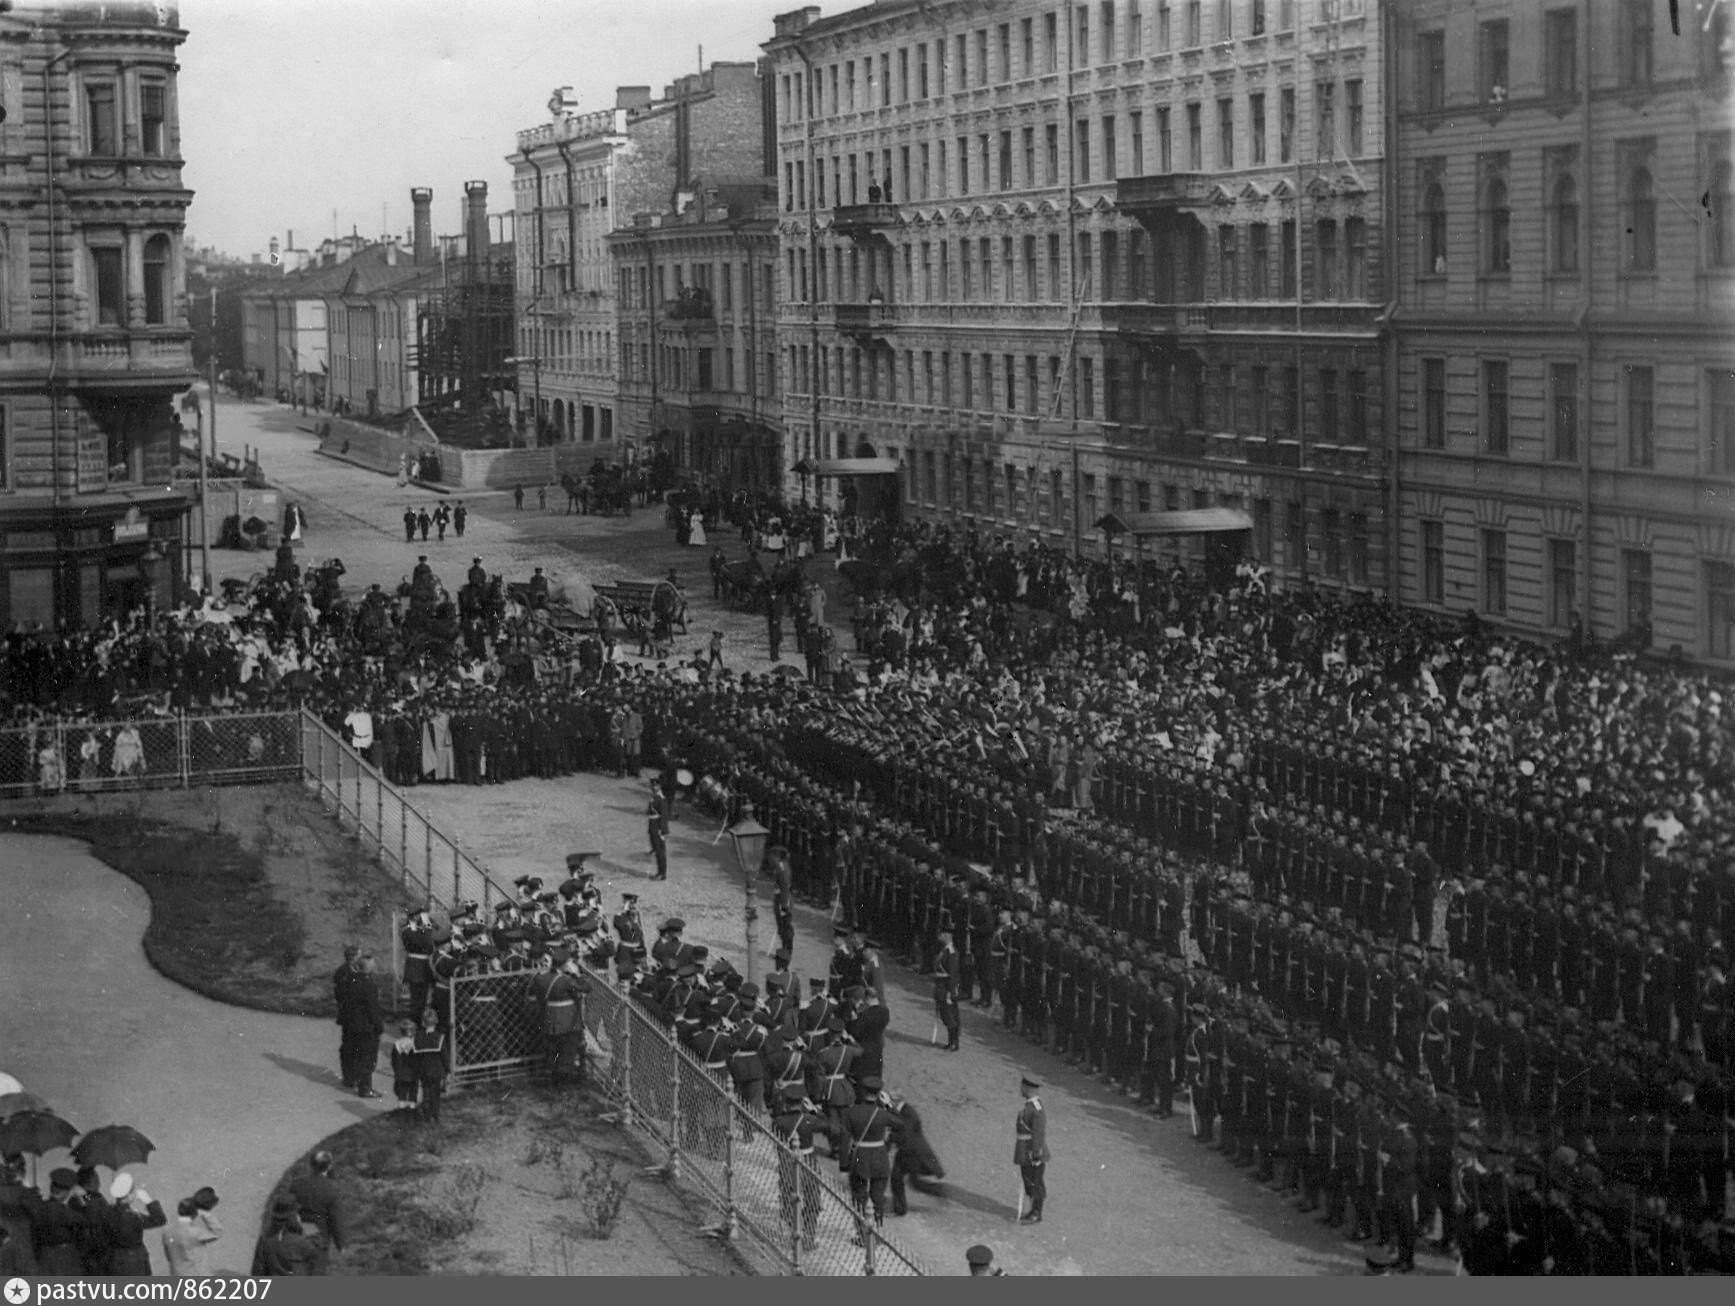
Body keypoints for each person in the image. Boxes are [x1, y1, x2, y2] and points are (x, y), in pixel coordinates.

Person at [844, 1074, 899, 1237]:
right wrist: (890, 1105)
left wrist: (843, 1164)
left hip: (860, 1158)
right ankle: (877, 1230)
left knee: (859, 1196)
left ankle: (861, 1232)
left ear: (862, 1091)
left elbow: (844, 1138)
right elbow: (901, 1123)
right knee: (878, 1196)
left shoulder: (852, 1112)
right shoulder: (883, 1114)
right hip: (879, 1158)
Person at [334, 946, 385, 1098]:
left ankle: (350, 1080)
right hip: (365, 1026)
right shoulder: (369, 985)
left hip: (352, 1023)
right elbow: (372, 1009)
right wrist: (379, 1025)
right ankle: (365, 1088)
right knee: (367, 1056)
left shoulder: (351, 979)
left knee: (353, 1051)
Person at [289, 1152, 347, 1273]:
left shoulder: (296, 1184)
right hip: (320, 1240)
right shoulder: (333, 1188)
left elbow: (288, 1210)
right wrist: (341, 1244)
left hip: (298, 1235)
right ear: (329, 1165)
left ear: (311, 1165)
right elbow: (336, 1219)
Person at [23, 1168, 85, 1275]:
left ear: (51, 1187)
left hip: (44, 1257)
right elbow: (88, 1220)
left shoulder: (40, 1207)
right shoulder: (63, 1211)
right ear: (66, 1191)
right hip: (64, 1259)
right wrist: (82, 1199)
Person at [101, 1173, 165, 1276]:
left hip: (115, 1259)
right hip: (135, 1262)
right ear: (129, 1195)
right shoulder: (133, 1217)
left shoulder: (108, 1212)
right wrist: (148, 1201)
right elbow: (160, 1220)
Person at [544, 957, 592, 1084]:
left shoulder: (543, 977)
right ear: (564, 966)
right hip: (568, 1019)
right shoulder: (565, 981)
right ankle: (563, 1082)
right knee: (568, 1051)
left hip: (551, 1018)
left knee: (555, 1049)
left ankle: (554, 1076)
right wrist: (577, 974)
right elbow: (587, 987)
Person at [1014, 1075, 1050, 1224]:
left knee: (1035, 1182)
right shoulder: (1029, 1106)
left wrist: (1036, 1154)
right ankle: (1032, 1210)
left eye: (1022, 1087)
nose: (1020, 1089)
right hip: (1025, 1150)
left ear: (1028, 1088)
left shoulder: (1036, 1109)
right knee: (1029, 1180)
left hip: (1031, 1152)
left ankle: (1036, 1213)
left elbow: (1039, 1133)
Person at [251, 1199, 319, 1277]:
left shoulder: (264, 1240)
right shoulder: (303, 1242)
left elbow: (257, 1272)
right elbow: (316, 1268)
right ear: (292, 1218)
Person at [413, 1005, 448, 1121]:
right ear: (436, 1021)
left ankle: (427, 1115)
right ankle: (435, 1115)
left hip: (424, 1070)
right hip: (437, 1071)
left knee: (426, 1093)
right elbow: (444, 1056)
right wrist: (447, 1070)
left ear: (423, 1023)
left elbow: (416, 1057)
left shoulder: (418, 1038)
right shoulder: (440, 1038)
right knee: (436, 1093)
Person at [933, 929, 961, 1051]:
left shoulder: (951, 952)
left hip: (946, 987)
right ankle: (951, 1041)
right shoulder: (945, 950)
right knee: (945, 1015)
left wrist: (950, 992)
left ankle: (954, 1042)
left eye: (942, 934)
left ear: (948, 936)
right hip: (940, 985)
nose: (940, 936)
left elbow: (953, 974)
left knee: (949, 1015)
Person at [390, 1019, 420, 1113]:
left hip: (400, 1074)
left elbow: (393, 1061)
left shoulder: (396, 1044)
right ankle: (412, 1110)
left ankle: (401, 1111)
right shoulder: (414, 1044)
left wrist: (396, 1071)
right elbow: (417, 1060)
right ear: (412, 1031)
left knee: (401, 1094)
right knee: (413, 1093)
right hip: (412, 1074)